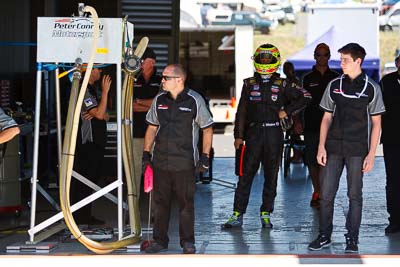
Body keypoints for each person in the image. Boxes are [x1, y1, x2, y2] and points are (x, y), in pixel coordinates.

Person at [222, 44, 311, 229]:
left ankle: (266, 213)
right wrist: (239, 136)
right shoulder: (249, 84)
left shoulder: (283, 84)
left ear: (275, 60)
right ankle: (237, 214)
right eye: (261, 58)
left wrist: (287, 111)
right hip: (253, 135)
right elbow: (242, 112)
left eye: (267, 58)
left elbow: (306, 96)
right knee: (245, 175)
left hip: (274, 134)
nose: (263, 61)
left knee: (271, 175)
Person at [308, 43, 385, 253]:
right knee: (326, 194)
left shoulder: (372, 88)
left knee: (354, 195)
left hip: (357, 150)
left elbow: (377, 123)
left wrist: (371, 154)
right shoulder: (334, 85)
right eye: (340, 59)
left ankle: (353, 238)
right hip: (333, 148)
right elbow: (326, 118)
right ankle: (324, 236)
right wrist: (321, 147)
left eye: (345, 60)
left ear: (358, 61)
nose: (341, 63)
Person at [142, 64, 213, 254]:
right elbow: (151, 127)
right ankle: (159, 241)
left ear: (179, 80)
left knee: (185, 205)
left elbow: (207, 128)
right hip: (160, 162)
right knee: (160, 204)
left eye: (166, 78)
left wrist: (205, 156)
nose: (162, 81)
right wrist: (146, 154)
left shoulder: (194, 100)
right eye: (162, 78)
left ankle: (187, 242)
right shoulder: (159, 100)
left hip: (185, 162)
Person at [72, 66, 111, 225]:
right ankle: (78, 217)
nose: (100, 72)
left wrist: (98, 113)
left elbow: (105, 115)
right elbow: (101, 114)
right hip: (87, 144)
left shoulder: (92, 89)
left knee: (92, 180)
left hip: (96, 144)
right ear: (90, 70)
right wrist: (106, 91)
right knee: (84, 180)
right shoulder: (84, 89)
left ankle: (85, 215)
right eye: (98, 69)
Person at [301, 43, 339, 208]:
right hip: (311, 124)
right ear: (315, 56)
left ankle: (324, 191)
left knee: (328, 161)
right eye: (319, 54)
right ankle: (317, 190)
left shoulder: (337, 77)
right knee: (312, 160)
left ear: (329, 56)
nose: (322, 57)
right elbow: (301, 102)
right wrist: (297, 122)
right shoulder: (308, 78)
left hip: (332, 127)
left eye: (325, 54)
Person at [132, 47, 161, 199]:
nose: (141, 62)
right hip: (136, 132)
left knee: (155, 169)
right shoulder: (132, 79)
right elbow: (129, 105)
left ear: (153, 62)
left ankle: (156, 209)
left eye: (144, 59)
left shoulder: (161, 80)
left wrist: (140, 102)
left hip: (156, 133)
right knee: (136, 168)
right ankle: (133, 207)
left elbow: (160, 105)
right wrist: (149, 104)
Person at [379, 54, 400, 234]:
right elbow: (378, 109)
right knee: (393, 180)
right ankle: (394, 219)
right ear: (396, 63)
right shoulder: (386, 82)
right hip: (392, 139)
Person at [283, 61, 304, 164]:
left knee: (295, 134)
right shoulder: (286, 81)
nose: (285, 70)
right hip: (288, 112)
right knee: (290, 135)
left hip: (295, 112)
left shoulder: (295, 82)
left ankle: (298, 155)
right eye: (284, 68)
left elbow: (297, 100)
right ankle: (296, 154)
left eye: (287, 68)